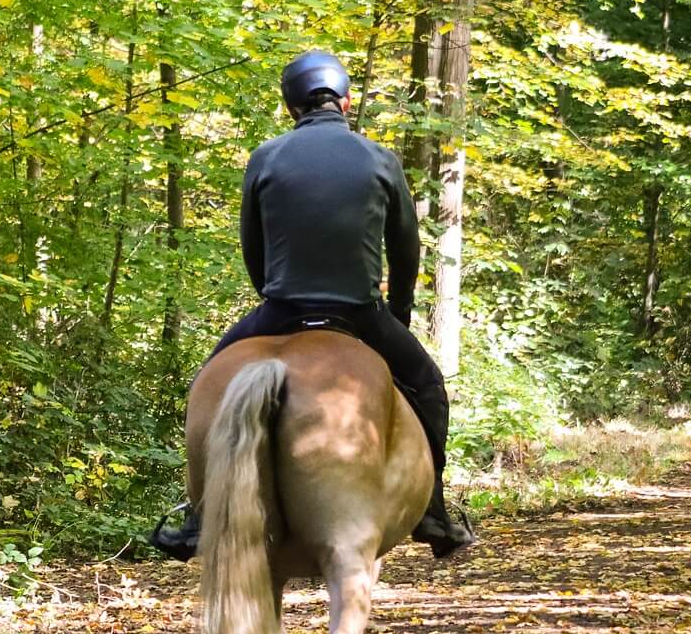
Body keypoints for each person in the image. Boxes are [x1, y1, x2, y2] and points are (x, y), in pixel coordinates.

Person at [149, 50, 476, 561]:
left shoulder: (266, 156)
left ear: (291, 107)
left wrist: (271, 295)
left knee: (208, 381)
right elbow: (406, 248)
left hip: (280, 307)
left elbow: (252, 247)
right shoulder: (379, 158)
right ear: (346, 101)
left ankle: (199, 516)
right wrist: (399, 313)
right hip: (361, 312)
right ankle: (432, 511)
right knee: (429, 386)